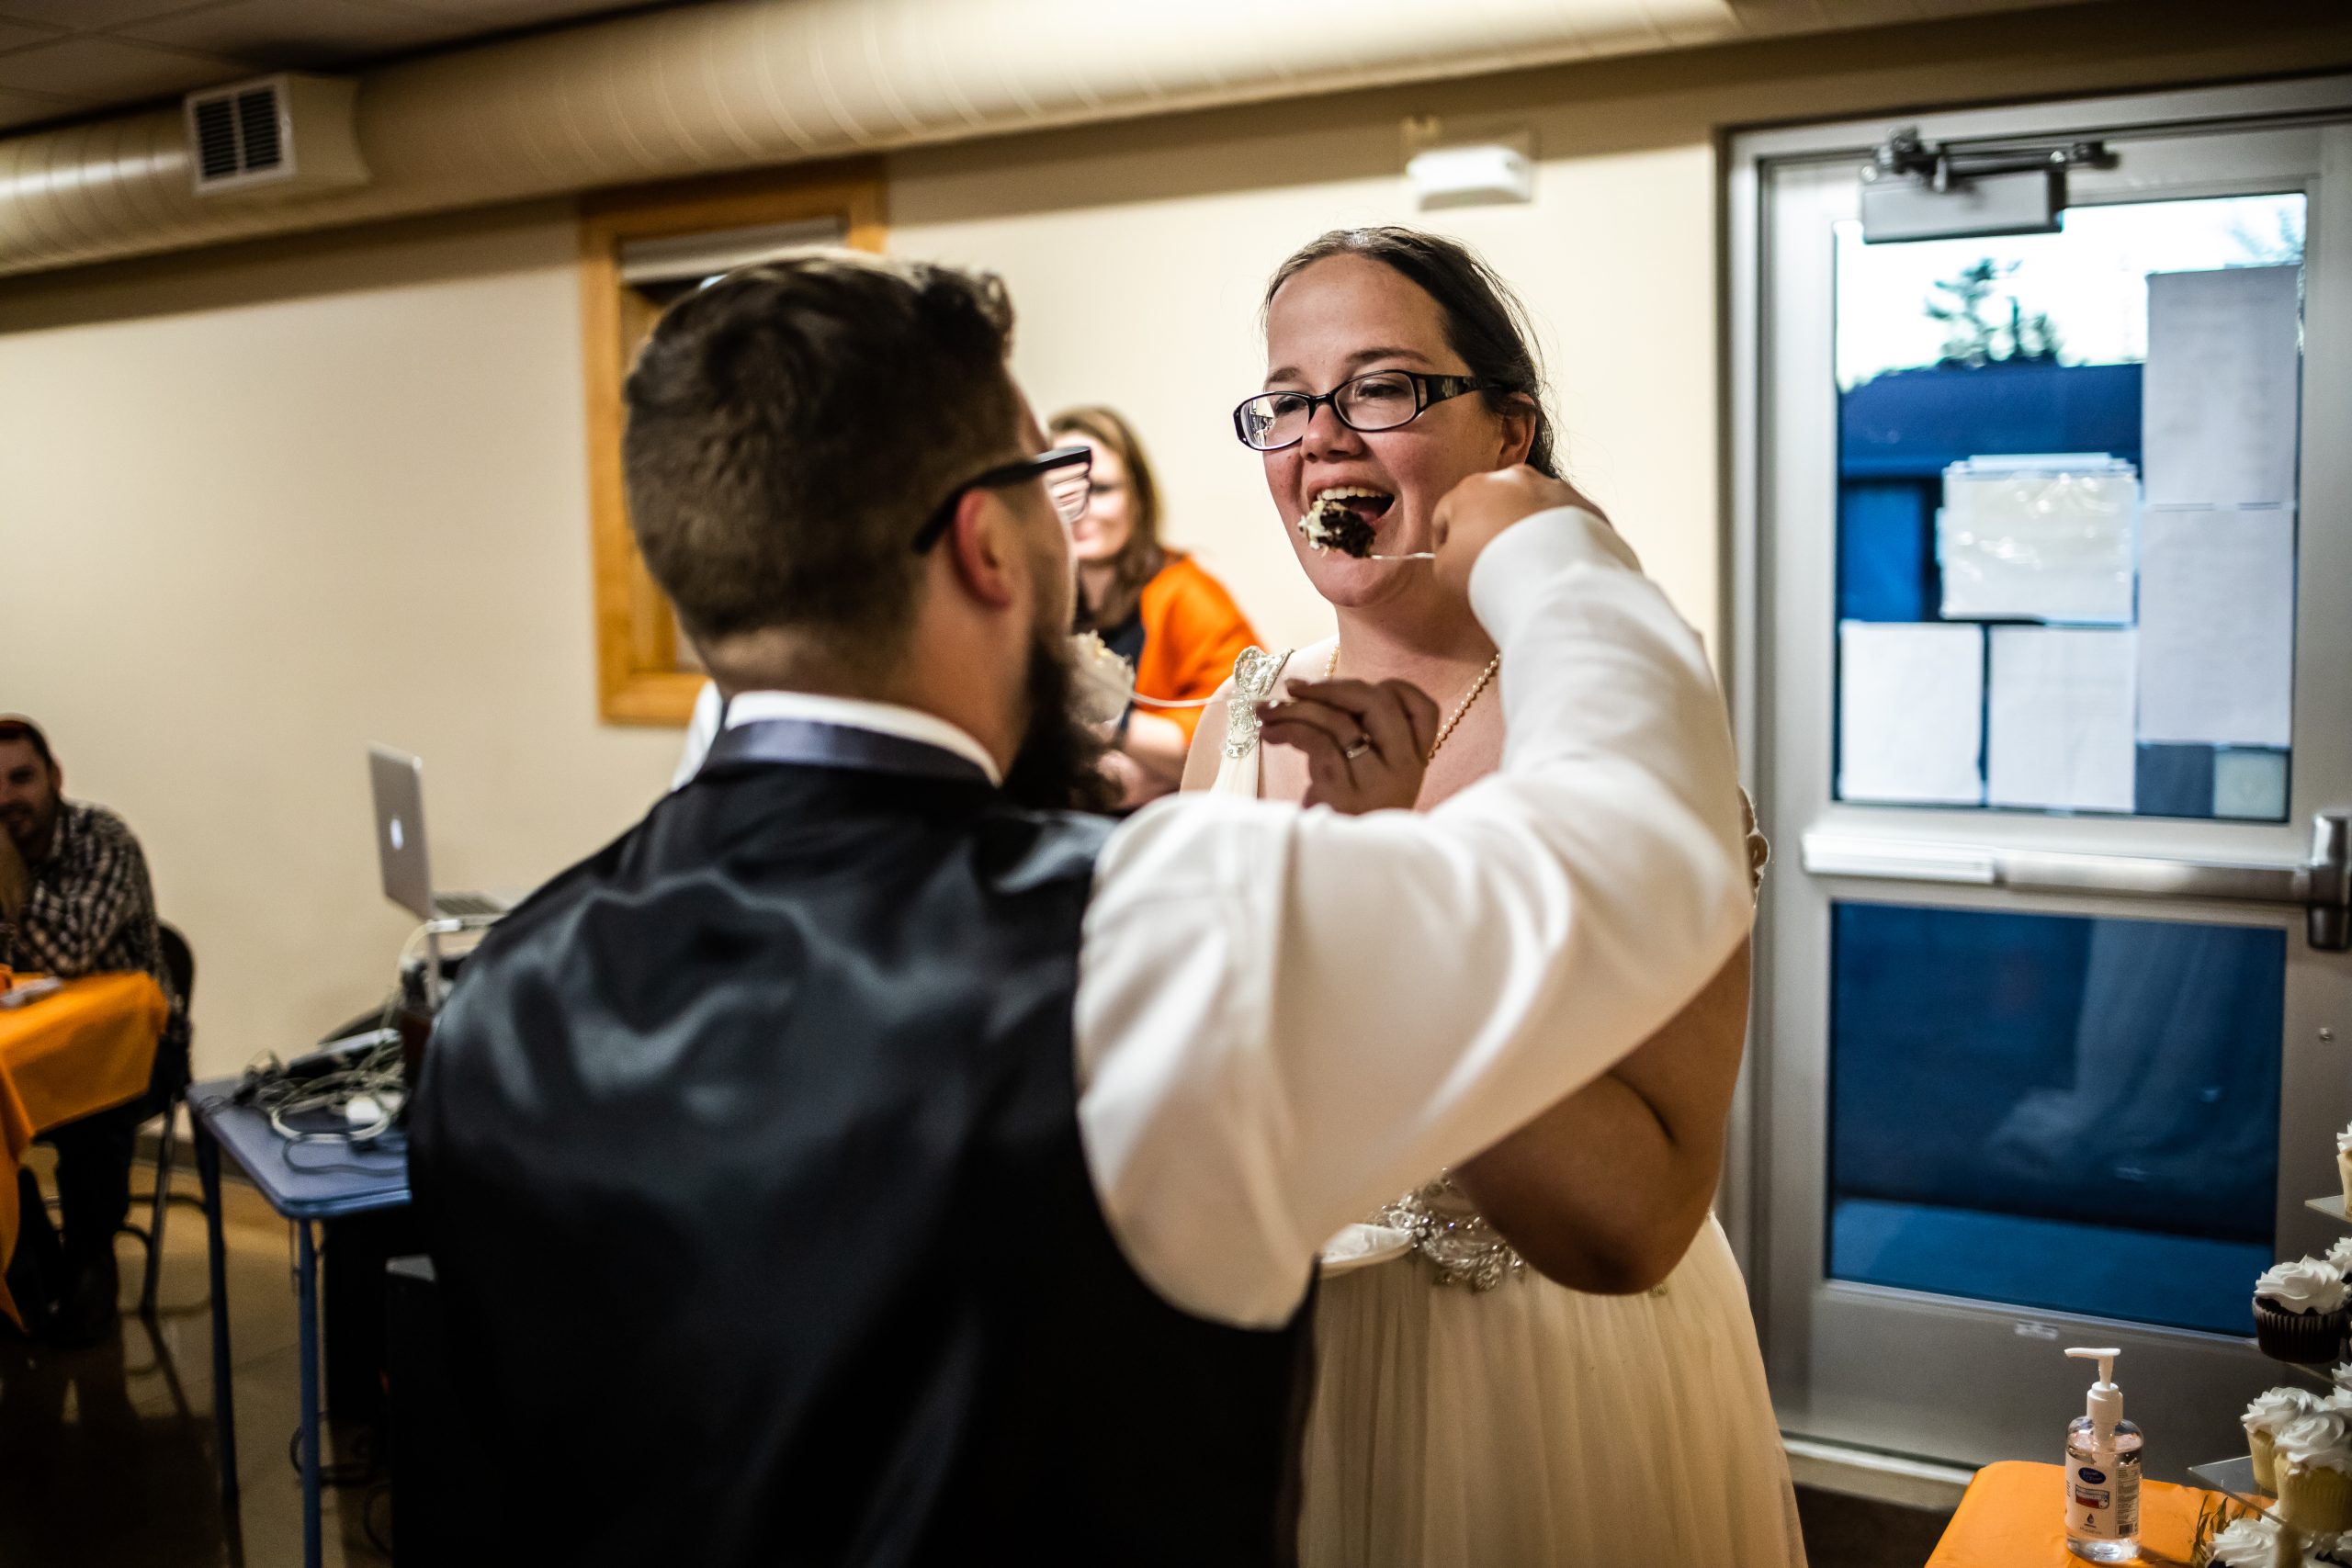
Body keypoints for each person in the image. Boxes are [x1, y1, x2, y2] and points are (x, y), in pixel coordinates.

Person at [409, 253, 1751, 1566]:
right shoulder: (1154, 924)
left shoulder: (502, 993)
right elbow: (1641, 838)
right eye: (1044, 485)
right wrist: (1554, 554)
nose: (1320, 436)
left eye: (1380, 387)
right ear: (989, 548)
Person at [1185, 227, 1803, 1567]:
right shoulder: (1240, 715)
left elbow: (1636, 1216)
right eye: (1287, 401)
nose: (1322, 438)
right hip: (1275, 1376)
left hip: (1539, 1384)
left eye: (1381, 387)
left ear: (1508, 431)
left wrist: (1386, 907)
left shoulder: (1620, 731)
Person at [0, 716, 187, 1344]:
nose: (7, 797)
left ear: (55, 777)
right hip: (31, 1048)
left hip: (142, 1047)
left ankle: (90, 1260)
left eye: (21, 778)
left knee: (94, 1108)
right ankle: (23, 1248)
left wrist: (9, 879)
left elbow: (73, 949)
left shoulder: (104, 840)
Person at [1050, 405, 1258, 807]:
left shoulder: (1187, 593)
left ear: (1138, 498)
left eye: (1100, 490)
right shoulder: (1032, 599)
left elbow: (1245, 726)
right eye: (1061, 493)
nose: (1078, 510)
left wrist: (1109, 726)